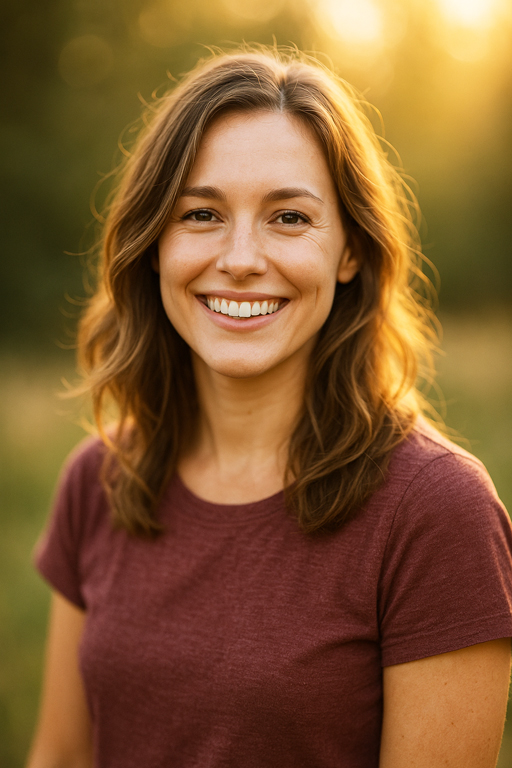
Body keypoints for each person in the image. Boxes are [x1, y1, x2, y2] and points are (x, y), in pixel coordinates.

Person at [27, 47, 512, 768]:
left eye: (288, 217)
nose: (242, 257)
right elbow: (59, 756)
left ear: (350, 251)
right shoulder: (100, 478)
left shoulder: (436, 512)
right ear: (154, 243)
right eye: (201, 213)